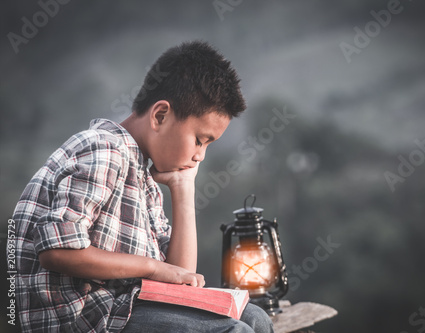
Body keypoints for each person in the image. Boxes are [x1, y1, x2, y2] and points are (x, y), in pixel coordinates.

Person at [12, 40, 274, 333]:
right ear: (160, 116)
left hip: (127, 309)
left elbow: (181, 277)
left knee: (256, 319)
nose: (200, 155)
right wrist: (152, 267)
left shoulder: (143, 177)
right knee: (235, 331)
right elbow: (57, 251)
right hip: (88, 318)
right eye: (199, 140)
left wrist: (183, 189)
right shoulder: (104, 149)